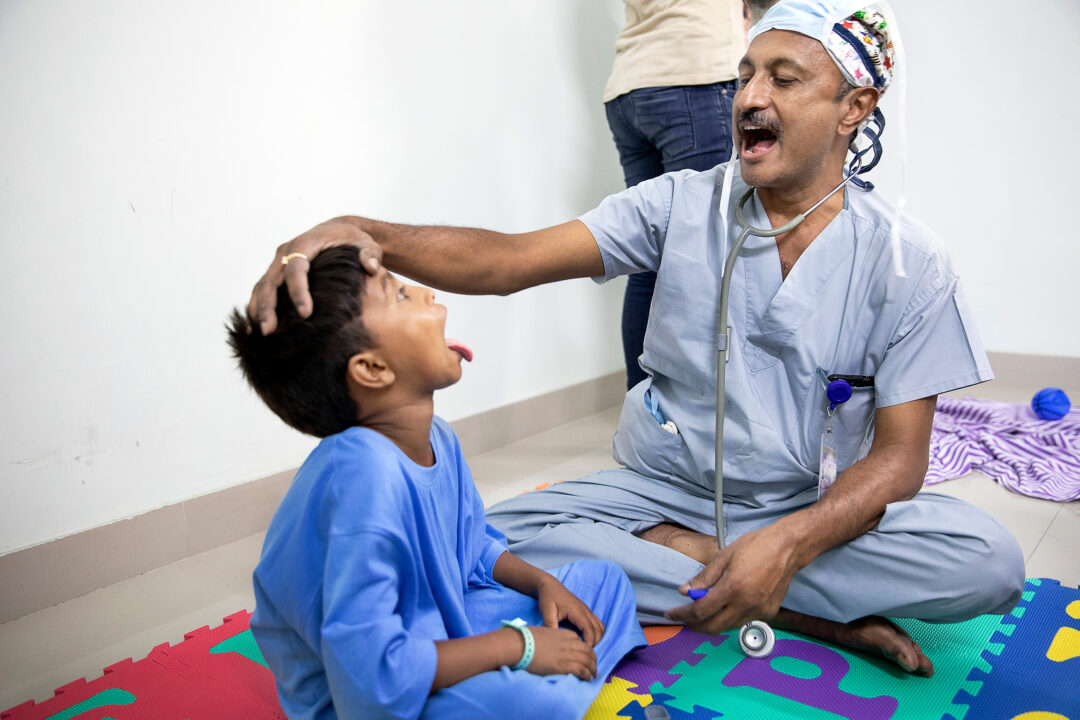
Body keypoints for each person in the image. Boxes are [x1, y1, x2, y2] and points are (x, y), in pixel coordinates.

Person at [247, 0, 1025, 678]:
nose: (748, 98)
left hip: (806, 502)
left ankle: (719, 567)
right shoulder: (679, 204)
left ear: (855, 106)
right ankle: (790, 607)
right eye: (745, 74)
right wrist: (363, 229)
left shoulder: (906, 262)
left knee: (989, 564)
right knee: (489, 540)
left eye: (783, 80)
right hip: (661, 487)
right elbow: (509, 260)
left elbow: (898, 461)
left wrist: (789, 540)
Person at [227, 246, 645, 720]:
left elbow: (474, 551)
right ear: (372, 369)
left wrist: (545, 583)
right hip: (363, 693)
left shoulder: (436, 436)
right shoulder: (364, 479)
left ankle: (557, 686)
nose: (429, 293)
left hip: (447, 627)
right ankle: (561, 692)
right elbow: (371, 680)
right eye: (401, 295)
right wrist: (520, 645)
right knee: (524, 700)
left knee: (602, 582)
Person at [602, 0, 748, 389]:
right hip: (694, 76)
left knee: (650, 259)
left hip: (631, 83)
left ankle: (645, 413)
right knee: (707, 253)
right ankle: (700, 416)